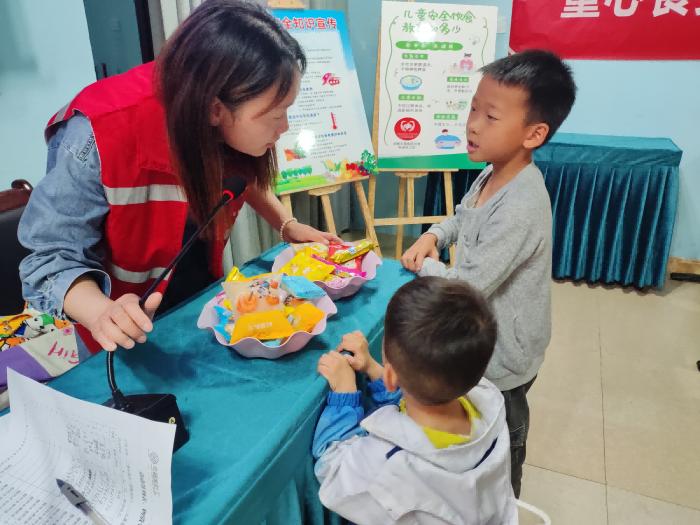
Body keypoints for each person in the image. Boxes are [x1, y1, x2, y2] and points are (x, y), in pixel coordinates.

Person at [18, 0, 337, 358]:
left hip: (195, 299)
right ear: (216, 109)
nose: (285, 128)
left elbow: (245, 169)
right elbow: (49, 258)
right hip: (118, 330)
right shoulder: (100, 134)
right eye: (277, 115)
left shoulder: (212, 108)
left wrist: (287, 224)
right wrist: (102, 313)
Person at [401, 49, 577, 496]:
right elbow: (464, 216)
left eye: (491, 116)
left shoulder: (521, 203)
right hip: (482, 337)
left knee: (504, 441)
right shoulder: (491, 173)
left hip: (507, 355)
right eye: (473, 109)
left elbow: (472, 284)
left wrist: (429, 270)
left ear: (534, 134)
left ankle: (502, 503)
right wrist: (435, 235)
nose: (473, 124)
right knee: (471, 427)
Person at [313, 277, 517, 524]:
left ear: (392, 376)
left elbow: (332, 467)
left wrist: (345, 391)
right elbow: (418, 397)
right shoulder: (490, 405)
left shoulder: (390, 462)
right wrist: (376, 371)